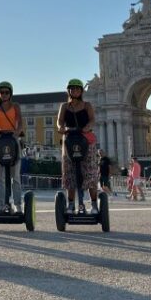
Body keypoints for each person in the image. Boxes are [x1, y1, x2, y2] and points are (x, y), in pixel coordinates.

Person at [58, 79, 99, 213]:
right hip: (70, 140)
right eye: (72, 88)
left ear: (81, 91)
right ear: (68, 90)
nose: (74, 90)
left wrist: (87, 127)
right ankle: (71, 204)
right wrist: (61, 128)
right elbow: (59, 122)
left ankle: (94, 205)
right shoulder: (64, 106)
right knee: (69, 172)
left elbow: (92, 120)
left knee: (90, 171)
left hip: (86, 140)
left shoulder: (87, 105)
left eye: (77, 88)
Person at [0, 81, 25, 213]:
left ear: (10, 93)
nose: (4, 94)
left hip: (13, 139)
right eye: (1, 92)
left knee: (15, 175)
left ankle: (17, 204)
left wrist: (18, 131)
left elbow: (20, 121)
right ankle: (0, 203)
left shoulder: (15, 106)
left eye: (6, 92)